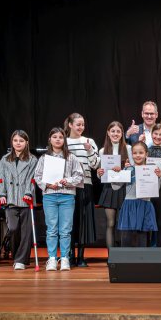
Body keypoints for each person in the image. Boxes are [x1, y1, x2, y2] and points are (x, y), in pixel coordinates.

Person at [34, 128, 84, 271]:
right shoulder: (44, 158)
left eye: (60, 137)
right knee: (51, 229)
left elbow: (79, 175)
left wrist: (67, 181)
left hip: (67, 196)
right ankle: (52, 258)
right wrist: (47, 184)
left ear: (64, 140)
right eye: (54, 137)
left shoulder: (71, 157)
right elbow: (37, 176)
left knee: (65, 230)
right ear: (50, 139)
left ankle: (65, 258)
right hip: (49, 196)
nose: (57, 139)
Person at [0, 131, 39, 271]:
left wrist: (28, 192)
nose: (18, 143)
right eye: (15, 140)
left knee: (26, 231)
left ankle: (21, 260)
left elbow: (32, 179)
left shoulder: (32, 159)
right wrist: (1, 194)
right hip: (10, 198)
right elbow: (2, 179)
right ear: (12, 142)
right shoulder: (5, 160)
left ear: (26, 142)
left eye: (21, 141)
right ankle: (16, 256)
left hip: (25, 199)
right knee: (13, 228)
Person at [65, 113, 99, 267]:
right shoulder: (64, 142)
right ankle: (70, 255)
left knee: (84, 220)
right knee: (70, 220)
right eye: (78, 124)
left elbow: (96, 164)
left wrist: (90, 150)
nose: (81, 127)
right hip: (69, 186)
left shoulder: (89, 141)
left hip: (85, 185)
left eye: (83, 124)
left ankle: (81, 256)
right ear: (70, 125)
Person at [116, 142, 161, 247]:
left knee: (142, 240)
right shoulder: (128, 169)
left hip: (144, 205)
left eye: (141, 153)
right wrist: (116, 174)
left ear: (146, 154)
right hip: (129, 205)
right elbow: (116, 186)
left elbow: (155, 189)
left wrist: (158, 177)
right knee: (126, 239)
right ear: (131, 154)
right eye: (135, 153)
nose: (138, 155)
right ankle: (125, 258)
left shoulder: (151, 170)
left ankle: (143, 257)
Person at [97, 121, 131, 248]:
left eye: (118, 131)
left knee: (123, 224)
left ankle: (123, 255)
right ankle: (111, 255)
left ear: (122, 133)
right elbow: (101, 173)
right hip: (109, 189)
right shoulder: (102, 151)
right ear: (108, 133)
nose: (115, 134)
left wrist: (126, 168)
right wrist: (99, 173)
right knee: (110, 223)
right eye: (113, 131)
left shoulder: (129, 149)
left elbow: (133, 170)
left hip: (124, 189)